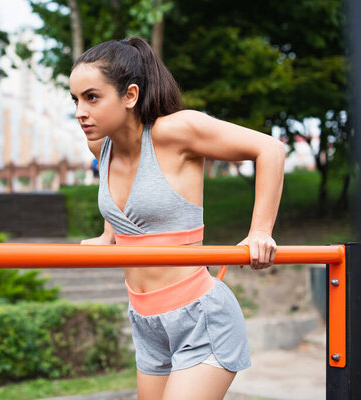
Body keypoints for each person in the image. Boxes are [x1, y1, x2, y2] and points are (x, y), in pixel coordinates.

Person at [71, 37, 285, 400]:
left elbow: (270, 148)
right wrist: (109, 235)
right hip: (145, 322)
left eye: (91, 97)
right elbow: (123, 203)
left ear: (130, 95)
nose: (80, 111)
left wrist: (259, 232)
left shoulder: (175, 132)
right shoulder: (100, 146)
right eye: (74, 99)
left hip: (200, 318)